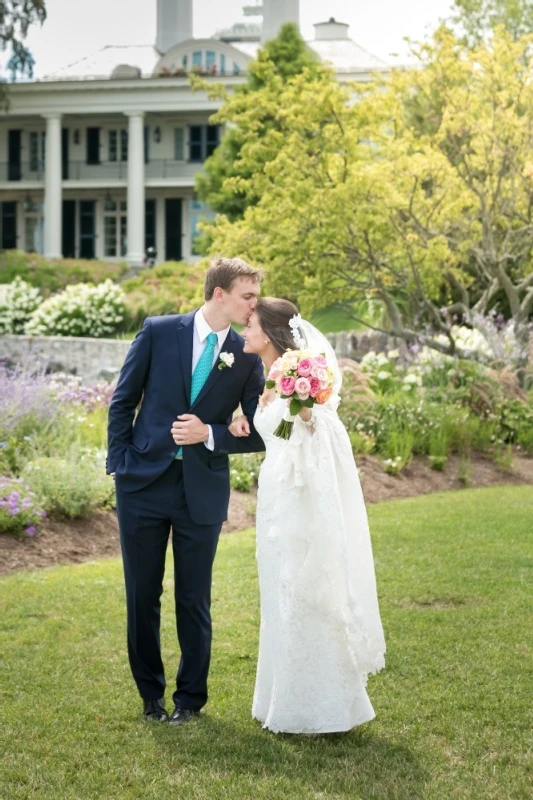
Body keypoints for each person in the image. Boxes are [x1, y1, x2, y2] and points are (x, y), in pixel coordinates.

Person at [107, 257, 265, 726]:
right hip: (143, 486)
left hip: (201, 489)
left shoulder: (247, 352)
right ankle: (150, 696)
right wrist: (120, 464)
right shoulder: (158, 331)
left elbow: (260, 430)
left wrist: (211, 432)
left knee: (193, 599)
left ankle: (190, 700)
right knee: (142, 593)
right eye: (247, 296)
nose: (254, 305)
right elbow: (123, 400)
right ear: (220, 294)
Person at [229, 297, 386, 734]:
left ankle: (322, 707)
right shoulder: (270, 380)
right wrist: (244, 421)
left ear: (272, 333)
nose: (245, 331)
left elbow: (315, 432)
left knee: (304, 591)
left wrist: (306, 409)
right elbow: (280, 432)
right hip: (275, 498)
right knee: (279, 593)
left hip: (299, 502)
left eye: (251, 324)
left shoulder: (298, 378)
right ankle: (278, 698)